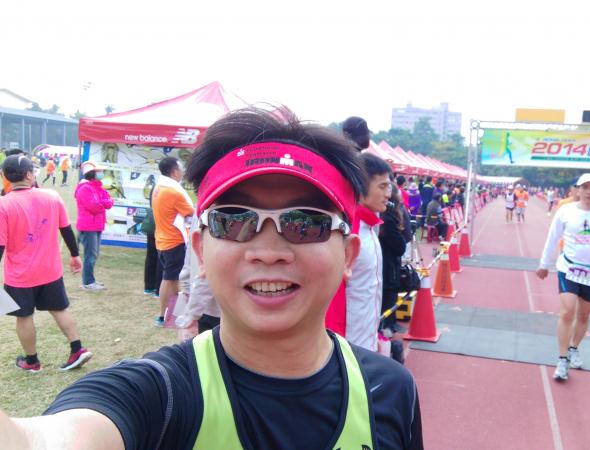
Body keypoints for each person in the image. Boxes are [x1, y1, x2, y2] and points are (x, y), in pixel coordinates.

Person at [1, 107, 423, 449]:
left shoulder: (390, 390)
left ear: (348, 254)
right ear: (201, 250)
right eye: (233, 220)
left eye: (305, 223)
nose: (268, 252)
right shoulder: (160, 396)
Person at [0, 154, 92, 373]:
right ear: (29, 174)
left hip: (20, 275)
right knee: (59, 308)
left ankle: (32, 361)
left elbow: (0, 244)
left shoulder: (3, 204)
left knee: (23, 316)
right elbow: (66, 228)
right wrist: (75, 255)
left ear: (4, 176)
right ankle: (77, 349)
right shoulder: (52, 196)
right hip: (50, 270)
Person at [537, 173, 590, 381]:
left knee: (583, 315)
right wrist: (544, 264)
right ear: (577, 189)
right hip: (569, 268)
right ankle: (562, 359)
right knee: (567, 312)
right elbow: (552, 237)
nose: (589, 191)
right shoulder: (566, 211)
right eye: (585, 187)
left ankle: (574, 348)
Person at [346, 152, 392, 352]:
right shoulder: (348, 232)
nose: (388, 194)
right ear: (360, 188)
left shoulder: (371, 227)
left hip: (367, 341)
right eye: (382, 187)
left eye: (389, 186)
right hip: (349, 345)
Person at [152, 156, 194, 327]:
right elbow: (191, 212)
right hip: (173, 241)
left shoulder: (159, 187)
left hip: (163, 240)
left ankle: (173, 314)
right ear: (174, 171)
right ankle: (162, 316)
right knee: (169, 279)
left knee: (174, 279)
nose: (183, 171)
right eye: (181, 168)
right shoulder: (173, 192)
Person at [74, 161, 114, 290]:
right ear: (92, 173)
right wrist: (104, 204)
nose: (101, 173)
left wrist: (104, 203)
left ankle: (90, 280)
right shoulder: (85, 188)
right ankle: (88, 282)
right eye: (99, 171)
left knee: (93, 255)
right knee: (90, 255)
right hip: (88, 226)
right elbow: (94, 206)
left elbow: (109, 200)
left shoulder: (97, 187)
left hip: (96, 225)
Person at [380, 183, 409, 334]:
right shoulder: (389, 220)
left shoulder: (385, 218)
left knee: (389, 296)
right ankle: (386, 327)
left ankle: (388, 325)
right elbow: (400, 246)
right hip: (388, 267)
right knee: (388, 297)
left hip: (387, 265)